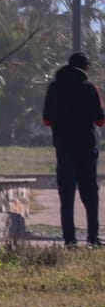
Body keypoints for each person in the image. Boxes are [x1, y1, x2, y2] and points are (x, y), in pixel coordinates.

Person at [43, 52, 104, 247]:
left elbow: (46, 119)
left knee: (66, 194)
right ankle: (93, 238)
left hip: (63, 148)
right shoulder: (89, 87)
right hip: (86, 147)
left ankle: (69, 239)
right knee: (90, 193)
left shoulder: (54, 87)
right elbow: (100, 120)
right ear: (86, 67)